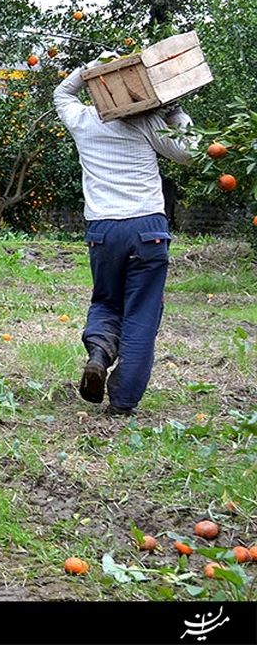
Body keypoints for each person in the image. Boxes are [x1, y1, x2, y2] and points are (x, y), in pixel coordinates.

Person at [53, 57, 198, 416]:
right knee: (141, 313)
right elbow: (191, 154)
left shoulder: (83, 121)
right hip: (147, 229)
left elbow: (62, 92)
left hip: (102, 230)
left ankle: (100, 352)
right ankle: (123, 400)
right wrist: (176, 112)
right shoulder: (146, 122)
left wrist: (91, 66)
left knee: (105, 301)